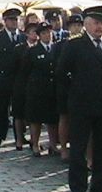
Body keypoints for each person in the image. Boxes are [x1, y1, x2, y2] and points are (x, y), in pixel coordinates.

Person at [57, 5, 102, 192]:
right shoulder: (75, 44)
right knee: (79, 147)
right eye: (96, 23)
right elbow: (62, 73)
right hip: (82, 104)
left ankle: (99, 184)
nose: (99, 27)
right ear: (86, 24)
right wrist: (75, 91)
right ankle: (78, 186)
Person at [20, 21, 59, 157]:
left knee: (53, 119)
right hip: (37, 90)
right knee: (36, 119)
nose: (47, 35)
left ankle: (53, 145)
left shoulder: (56, 49)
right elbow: (25, 71)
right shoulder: (33, 51)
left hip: (52, 89)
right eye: (44, 33)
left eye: (49, 32)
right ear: (39, 35)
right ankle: (35, 144)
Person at [0, 8, 25, 146]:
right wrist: (1, 71)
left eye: (16, 19)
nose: (14, 22)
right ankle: (0, 134)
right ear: (5, 21)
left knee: (19, 110)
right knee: (1, 108)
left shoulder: (23, 37)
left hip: (18, 79)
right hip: (3, 77)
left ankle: (19, 136)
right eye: (11, 19)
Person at [55, 13, 84, 161]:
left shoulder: (86, 44)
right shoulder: (62, 44)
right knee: (64, 117)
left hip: (81, 88)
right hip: (65, 86)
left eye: (79, 25)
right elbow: (58, 67)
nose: (77, 28)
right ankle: (64, 149)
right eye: (74, 25)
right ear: (69, 27)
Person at [11, 23, 38, 150]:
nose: (35, 34)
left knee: (33, 114)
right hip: (21, 84)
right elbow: (14, 67)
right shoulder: (19, 48)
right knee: (18, 113)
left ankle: (34, 140)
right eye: (33, 32)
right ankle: (19, 140)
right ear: (27, 34)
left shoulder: (41, 47)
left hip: (35, 84)